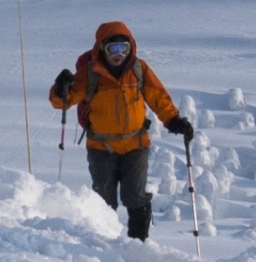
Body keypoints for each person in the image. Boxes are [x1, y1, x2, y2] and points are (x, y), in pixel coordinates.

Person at [47, 20, 191, 240]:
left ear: (131, 47)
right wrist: (60, 88)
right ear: (102, 49)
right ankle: (104, 245)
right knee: (104, 200)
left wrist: (173, 120)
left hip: (136, 144)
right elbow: (62, 102)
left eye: (123, 48)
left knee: (136, 196)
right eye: (112, 49)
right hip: (101, 147)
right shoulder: (90, 73)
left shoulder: (138, 69)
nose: (118, 54)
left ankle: (139, 244)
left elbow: (158, 97)